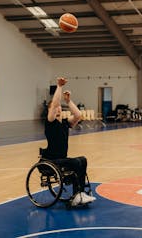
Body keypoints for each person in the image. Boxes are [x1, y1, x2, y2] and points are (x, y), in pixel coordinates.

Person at [42, 77, 96, 206]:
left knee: (82, 159)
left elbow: (78, 115)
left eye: (61, 106)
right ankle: (77, 195)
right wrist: (59, 87)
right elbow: (54, 104)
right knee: (76, 162)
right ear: (51, 110)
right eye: (56, 107)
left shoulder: (65, 123)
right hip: (51, 160)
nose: (59, 108)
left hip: (62, 158)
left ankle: (80, 193)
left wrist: (68, 101)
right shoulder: (50, 123)